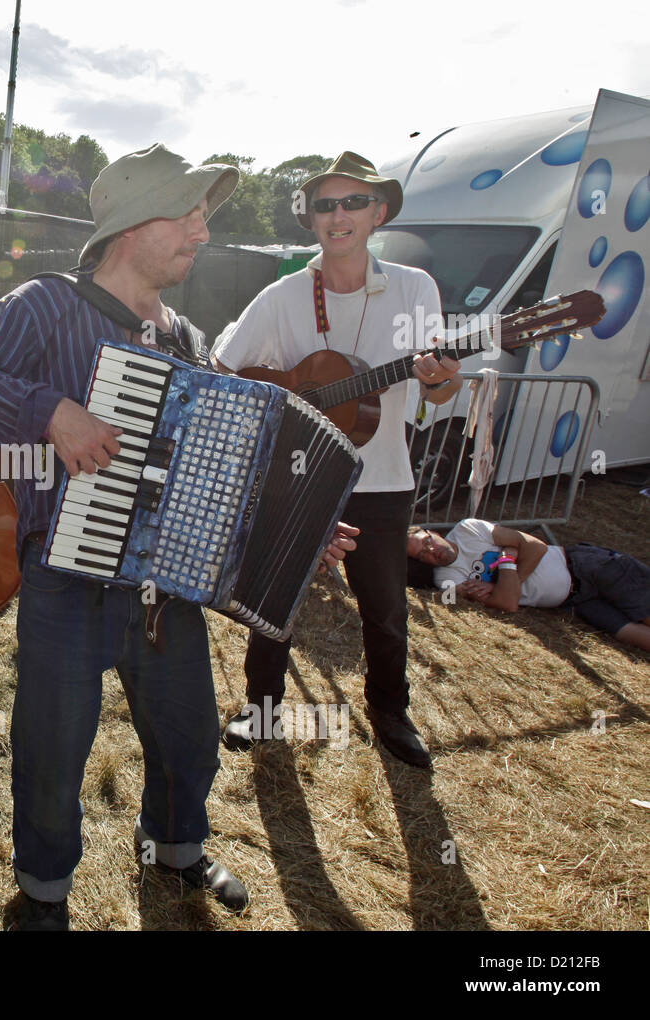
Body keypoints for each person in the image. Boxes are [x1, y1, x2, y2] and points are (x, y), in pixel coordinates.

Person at [0, 144, 353, 930]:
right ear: (132, 226)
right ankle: (44, 891)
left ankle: (176, 850)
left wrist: (294, 531)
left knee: (188, 737)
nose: (201, 233)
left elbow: (230, 465)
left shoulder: (189, 337)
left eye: (203, 218)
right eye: (187, 216)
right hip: (66, 580)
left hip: (164, 589)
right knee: (53, 749)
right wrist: (51, 414)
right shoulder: (48, 304)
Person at [212, 152, 462, 769]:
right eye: (325, 204)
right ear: (310, 218)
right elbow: (223, 367)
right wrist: (277, 410)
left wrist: (440, 378)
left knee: (384, 605)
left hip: (382, 480)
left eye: (353, 202)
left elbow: (440, 388)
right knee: (275, 600)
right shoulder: (283, 295)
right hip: (298, 478)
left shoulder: (413, 289)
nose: (338, 215)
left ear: (378, 212)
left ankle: (391, 713)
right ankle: (262, 708)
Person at [409, 521, 650, 651]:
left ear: (433, 532)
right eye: (423, 555)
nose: (433, 551)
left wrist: (509, 582)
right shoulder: (446, 579)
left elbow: (536, 546)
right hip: (576, 601)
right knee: (634, 636)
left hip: (585, 566)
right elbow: (507, 603)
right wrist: (506, 560)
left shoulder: (468, 529)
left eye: (428, 542)